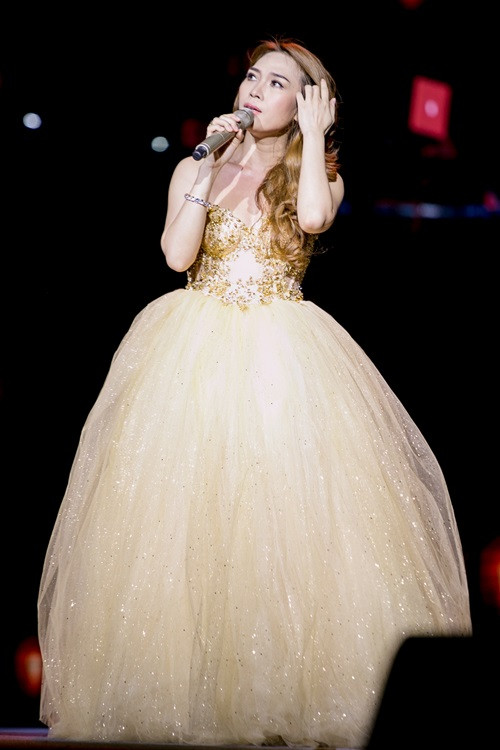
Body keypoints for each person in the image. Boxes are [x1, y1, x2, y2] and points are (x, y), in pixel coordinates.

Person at [37, 37, 472, 748]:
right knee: (185, 519)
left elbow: (314, 220)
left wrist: (312, 135)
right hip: (193, 349)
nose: (254, 89)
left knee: (279, 516)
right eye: (252, 76)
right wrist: (207, 165)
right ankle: (191, 696)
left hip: (282, 355)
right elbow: (176, 255)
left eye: (276, 83)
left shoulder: (319, 176)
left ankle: (279, 695)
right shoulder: (196, 166)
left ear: (304, 102)